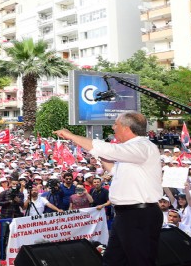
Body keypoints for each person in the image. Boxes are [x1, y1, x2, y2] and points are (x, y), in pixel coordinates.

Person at [54, 111, 163, 266]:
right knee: (113, 261)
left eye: (116, 124)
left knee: (140, 261)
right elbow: (114, 170)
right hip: (125, 215)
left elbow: (110, 150)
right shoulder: (131, 151)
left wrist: (72, 136)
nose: (113, 128)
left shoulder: (142, 147)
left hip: (139, 215)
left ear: (126, 128)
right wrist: (95, 152)